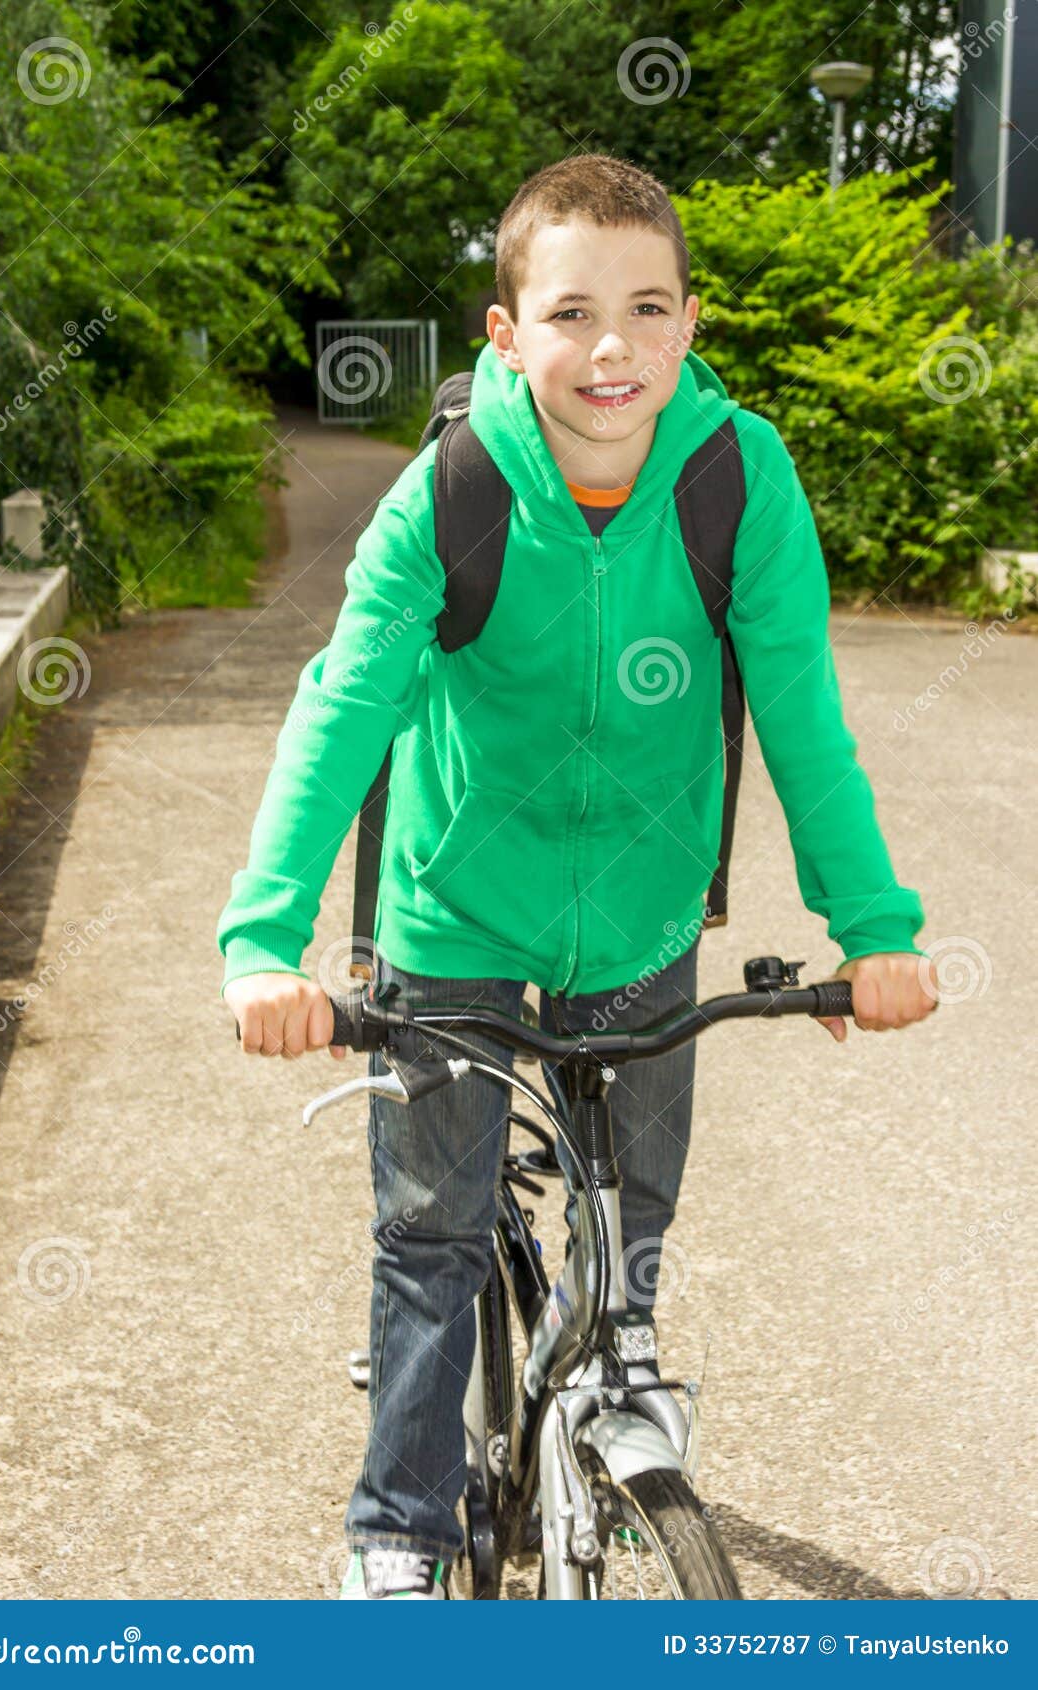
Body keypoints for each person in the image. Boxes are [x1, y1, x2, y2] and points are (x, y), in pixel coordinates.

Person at [217, 154, 938, 1600]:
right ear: (507, 333)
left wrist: (875, 931)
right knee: (433, 1237)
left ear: (685, 324)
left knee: (632, 1207)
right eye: (569, 312)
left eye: (647, 307)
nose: (611, 347)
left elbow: (801, 710)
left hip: (641, 915)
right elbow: (343, 700)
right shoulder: (452, 492)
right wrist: (264, 940)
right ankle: (400, 1523)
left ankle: (627, 1351)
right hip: (455, 908)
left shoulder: (741, 478)